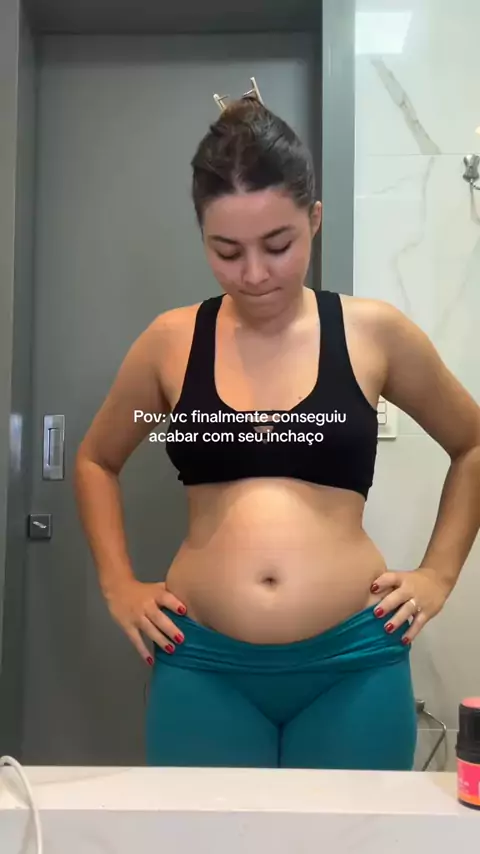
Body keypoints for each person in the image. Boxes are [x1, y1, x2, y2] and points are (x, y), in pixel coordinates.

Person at [74, 87, 480, 771]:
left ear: (314, 220)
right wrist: (119, 584)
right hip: (204, 664)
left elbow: (472, 443)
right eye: (227, 250)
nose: (255, 274)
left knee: (352, 831)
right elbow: (95, 460)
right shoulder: (170, 342)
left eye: (278, 244)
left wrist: (439, 574)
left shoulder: (373, 332)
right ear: (203, 237)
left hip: (354, 664)